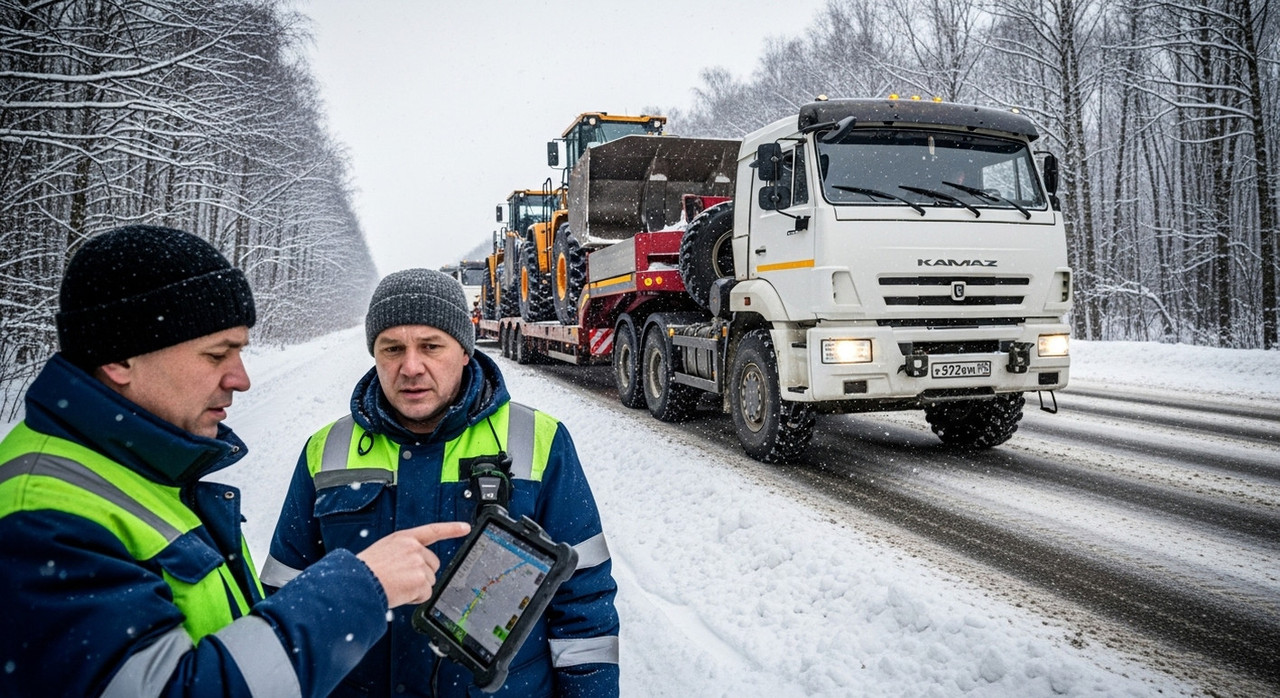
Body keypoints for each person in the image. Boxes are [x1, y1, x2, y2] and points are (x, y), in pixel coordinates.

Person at [0, 225, 469, 697]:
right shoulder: (41, 516)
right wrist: (360, 588)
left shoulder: (141, 472)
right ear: (119, 357)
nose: (242, 379)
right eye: (216, 354)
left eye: (240, 352)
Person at [262, 268, 620, 697]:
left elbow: (583, 601)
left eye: (431, 346)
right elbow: (287, 595)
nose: (411, 367)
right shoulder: (326, 450)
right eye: (392, 348)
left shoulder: (540, 440)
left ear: (465, 350)